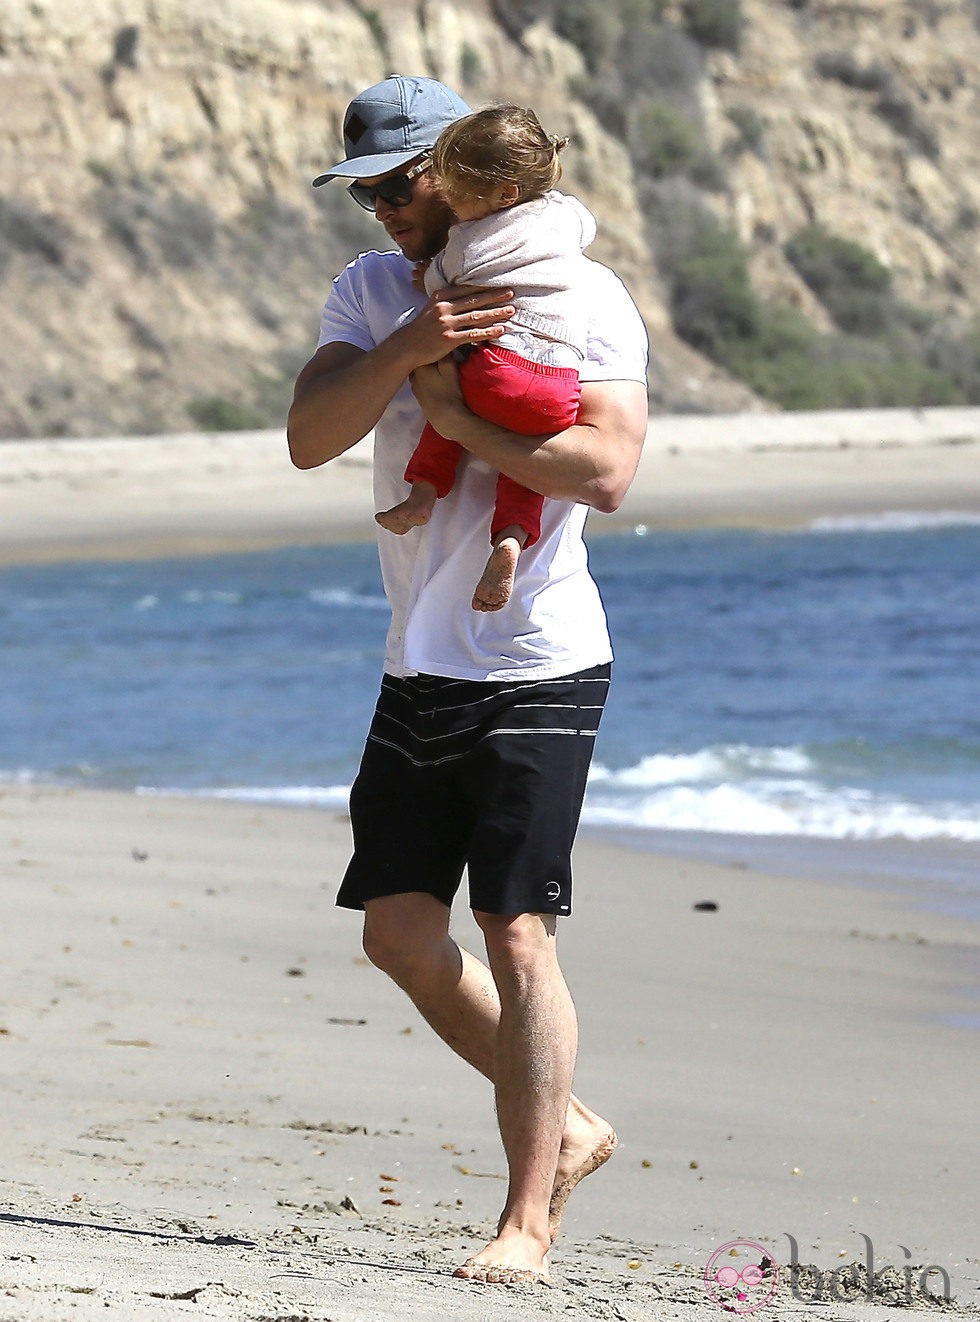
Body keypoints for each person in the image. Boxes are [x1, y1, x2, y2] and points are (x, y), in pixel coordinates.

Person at [287, 75, 648, 1286]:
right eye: (367, 190)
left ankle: (526, 1222)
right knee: (398, 934)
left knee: (516, 930)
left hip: (541, 653)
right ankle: (575, 1125)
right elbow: (308, 436)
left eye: (403, 183)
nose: (386, 208)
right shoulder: (371, 290)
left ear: (461, 170)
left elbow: (601, 469)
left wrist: (452, 416)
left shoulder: (582, 292)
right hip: (416, 661)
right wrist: (411, 348)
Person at [375, 104, 595, 614]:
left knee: (439, 390)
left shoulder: (473, 239)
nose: (452, 202)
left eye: (458, 191)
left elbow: (448, 279)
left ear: (504, 195)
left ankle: (424, 492)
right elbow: (583, 223)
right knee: (524, 472)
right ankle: (512, 539)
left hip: (501, 370)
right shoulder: (567, 221)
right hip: (559, 386)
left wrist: (428, 281)